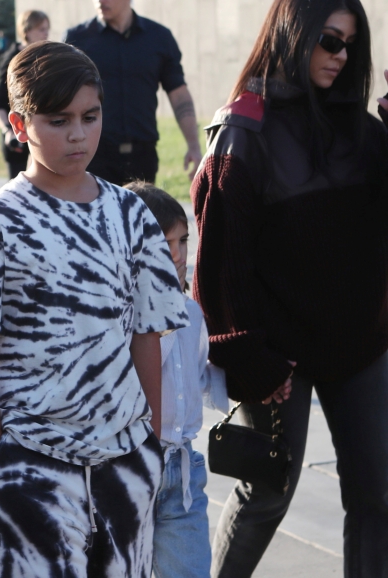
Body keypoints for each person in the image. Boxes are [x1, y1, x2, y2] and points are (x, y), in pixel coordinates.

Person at [193, 0, 388, 578]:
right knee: (266, 494)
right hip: (279, 358)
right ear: (293, 33)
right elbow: (219, 267)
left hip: (359, 348)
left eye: (350, 45)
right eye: (328, 41)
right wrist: (249, 358)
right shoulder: (243, 135)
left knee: (374, 499)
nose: (340, 57)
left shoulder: (359, 129)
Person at [0, 40, 188, 577]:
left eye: (89, 116)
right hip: (32, 462)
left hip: (125, 461)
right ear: (18, 122)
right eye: (58, 121)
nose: (78, 134)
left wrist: (147, 443)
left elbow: (148, 334)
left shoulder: (132, 215)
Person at [124, 180, 228, 578]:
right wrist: (160, 317)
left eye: (184, 241)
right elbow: (132, 383)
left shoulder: (191, 313)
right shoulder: (123, 318)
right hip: (129, 470)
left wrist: (252, 384)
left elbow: (200, 380)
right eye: (164, 244)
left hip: (183, 474)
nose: (179, 255)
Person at [64, 0, 202, 186]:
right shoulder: (77, 39)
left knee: (140, 222)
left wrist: (194, 146)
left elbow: (178, 94)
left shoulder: (159, 38)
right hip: (91, 156)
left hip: (142, 157)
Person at [0, 10, 49, 179]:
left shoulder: (46, 57)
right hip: (17, 136)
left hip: (39, 133)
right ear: (26, 31)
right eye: (41, 29)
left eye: (47, 29)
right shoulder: (13, 59)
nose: (46, 34)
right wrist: (7, 130)